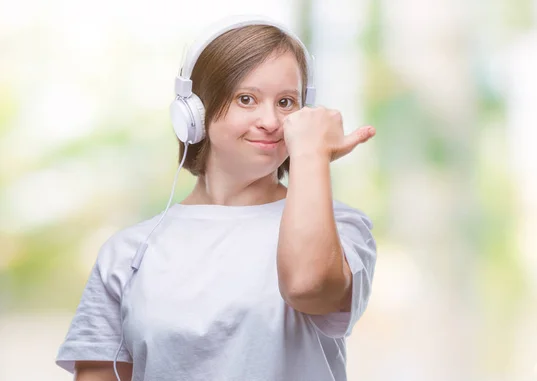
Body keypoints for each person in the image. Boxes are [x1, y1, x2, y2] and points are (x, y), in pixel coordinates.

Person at [55, 15, 377, 381]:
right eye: (246, 99)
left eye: (287, 102)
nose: (271, 121)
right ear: (194, 112)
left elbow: (308, 287)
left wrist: (310, 154)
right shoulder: (128, 253)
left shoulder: (340, 227)